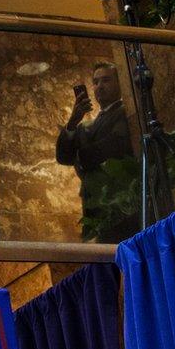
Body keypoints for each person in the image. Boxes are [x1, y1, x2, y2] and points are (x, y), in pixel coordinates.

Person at [56, 62, 136, 242]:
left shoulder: (126, 112)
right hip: (95, 207)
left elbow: (116, 145)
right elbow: (63, 157)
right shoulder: (86, 125)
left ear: (120, 83)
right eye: (96, 82)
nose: (99, 86)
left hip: (120, 206)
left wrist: (81, 158)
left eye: (106, 80)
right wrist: (72, 122)